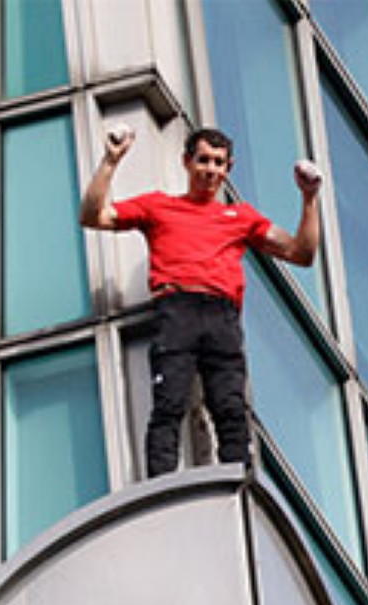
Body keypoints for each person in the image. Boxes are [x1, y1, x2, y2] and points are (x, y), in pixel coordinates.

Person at [80, 123, 323, 475]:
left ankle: (239, 493)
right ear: (187, 162)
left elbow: (302, 253)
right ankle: (161, 490)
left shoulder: (240, 217)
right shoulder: (158, 206)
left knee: (230, 410)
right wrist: (110, 160)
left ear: (229, 168)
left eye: (219, 163)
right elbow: (92, 216)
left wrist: (309, 197)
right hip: (177, 310)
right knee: (169, 404)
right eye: (204, 160)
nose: (211, 170)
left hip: (222, 314)